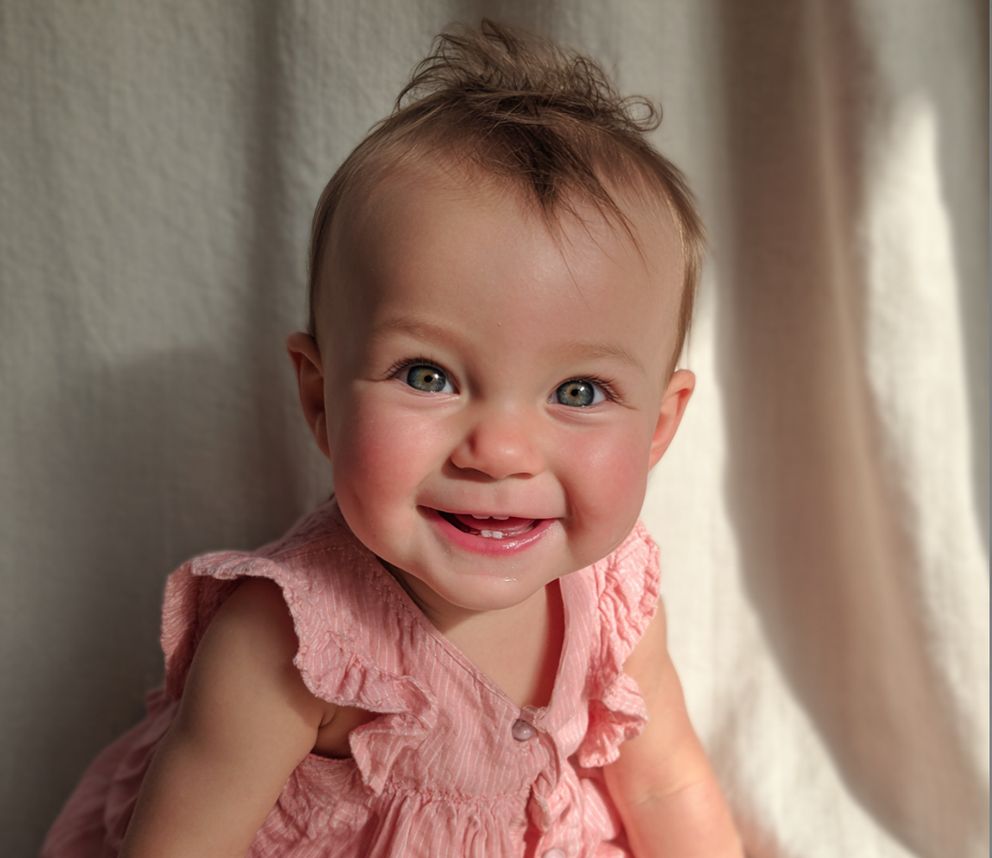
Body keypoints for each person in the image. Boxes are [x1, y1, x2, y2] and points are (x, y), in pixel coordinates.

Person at [43, 20, 743, 858]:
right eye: (427, 375)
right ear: (320, 399)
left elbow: (665, 784)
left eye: (578, 392)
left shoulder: (615, 597)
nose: (500, 451)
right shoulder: (291, 643)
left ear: (659, 426)